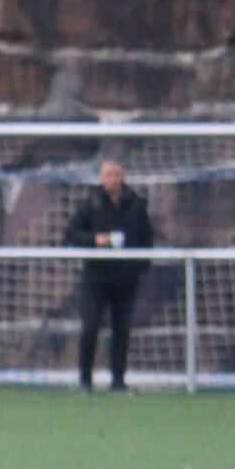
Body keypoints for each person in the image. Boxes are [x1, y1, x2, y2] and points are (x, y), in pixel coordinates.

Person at [66, 159, 154, 392]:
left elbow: (146, 239)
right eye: (107, 175)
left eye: (115, 175)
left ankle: (118, 380)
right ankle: (85, 380)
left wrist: (138, 268)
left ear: (122, 177)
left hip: (126, 279)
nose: (111, 180)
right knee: (90, 327)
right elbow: (72, 233)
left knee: (122, 330)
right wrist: (96, 240)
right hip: (96, 278)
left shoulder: (136, 205)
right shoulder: (91, 204)